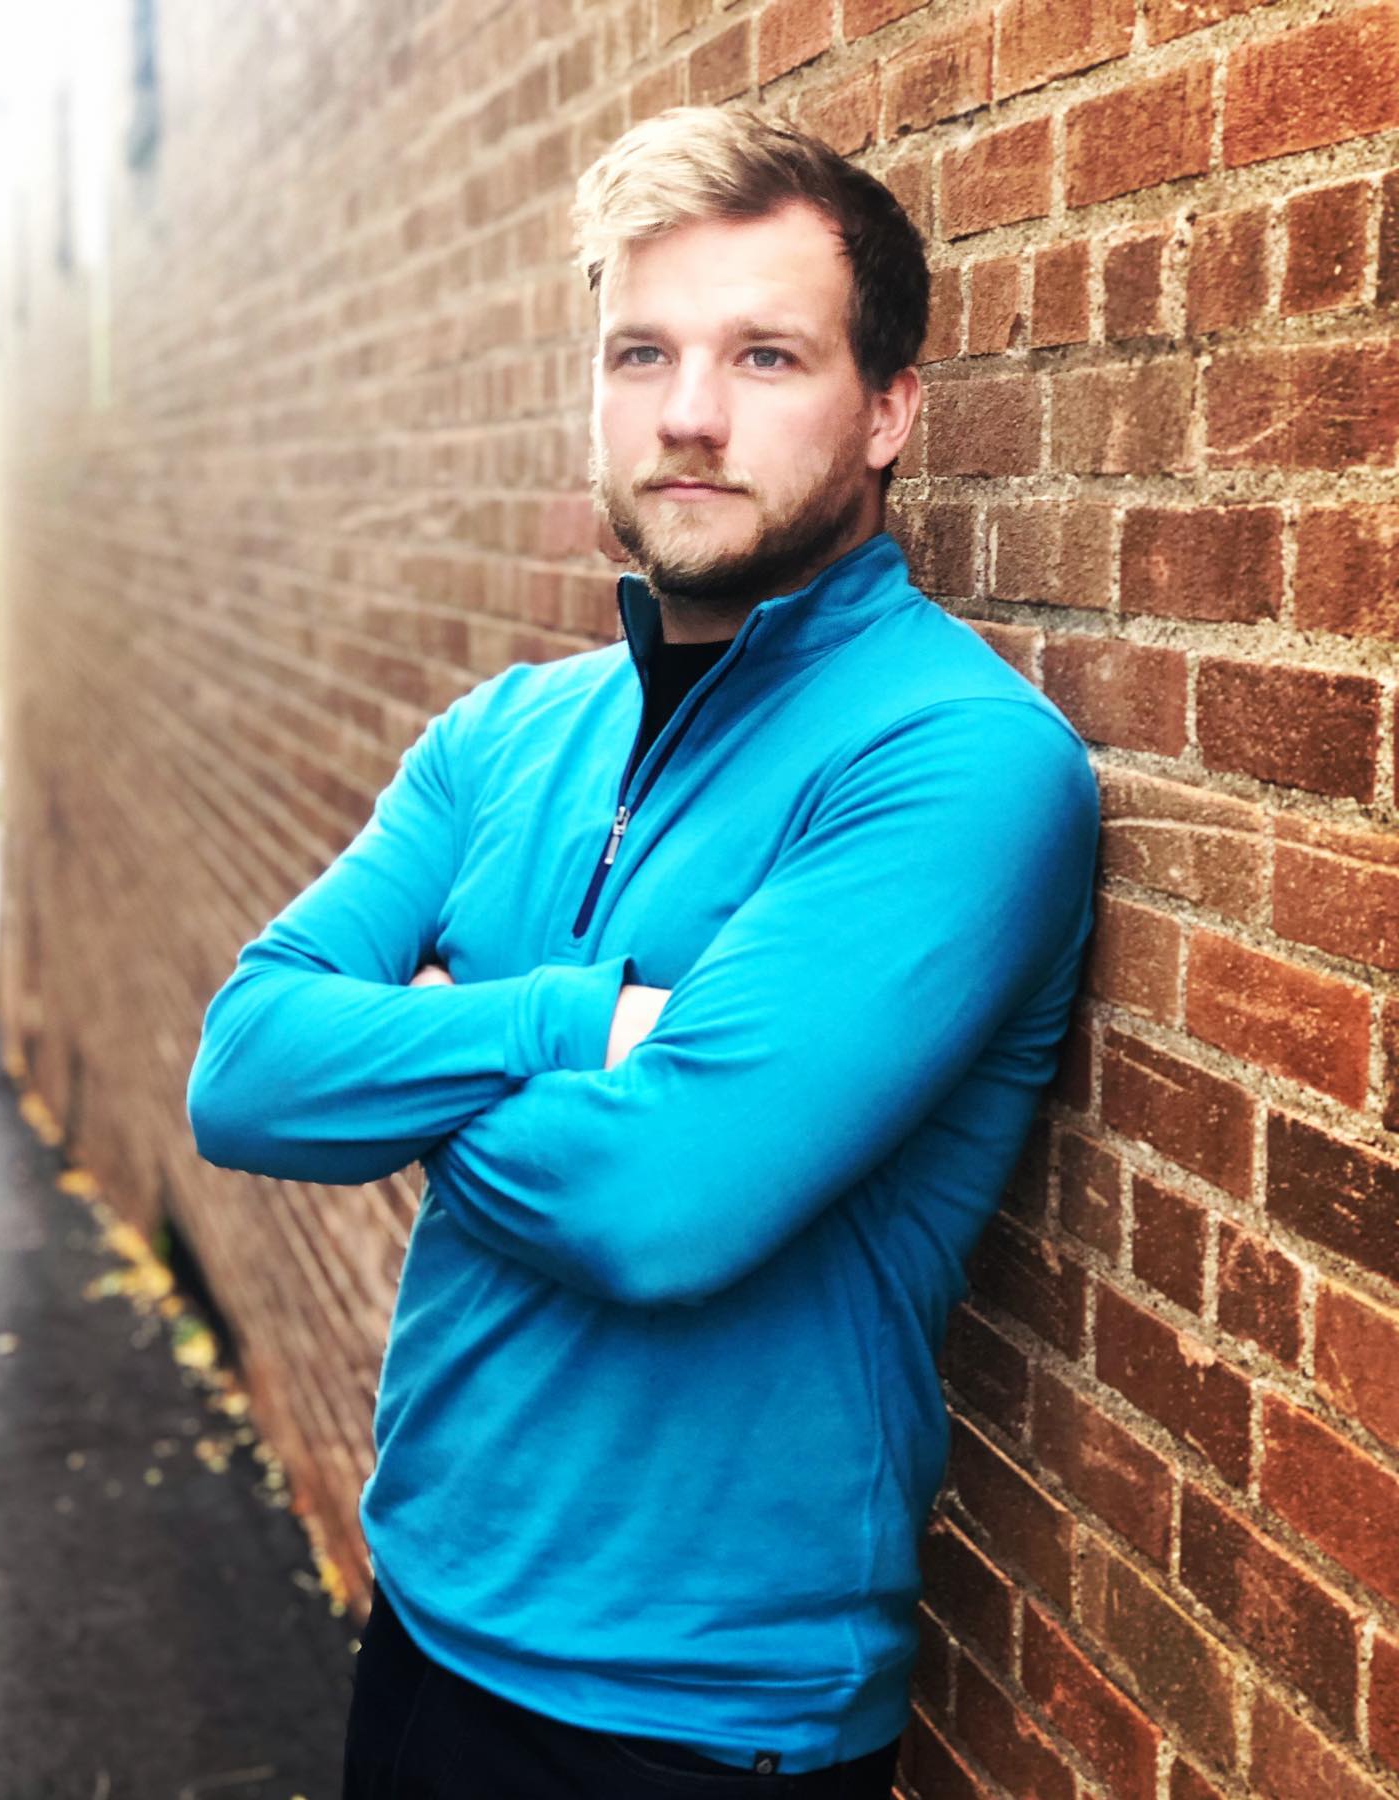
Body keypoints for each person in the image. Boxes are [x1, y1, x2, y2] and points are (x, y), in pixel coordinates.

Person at [187, 105, 1099, 1799]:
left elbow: (658, 1205)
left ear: (888, 411)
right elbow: (243, 1072)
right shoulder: (504, 734)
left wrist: (407, 1054)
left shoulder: (956, 761)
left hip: (699, 1716)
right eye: (642, 352)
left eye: (766, 355)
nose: (689, 412)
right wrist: (574, 1023)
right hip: (425, 1618)